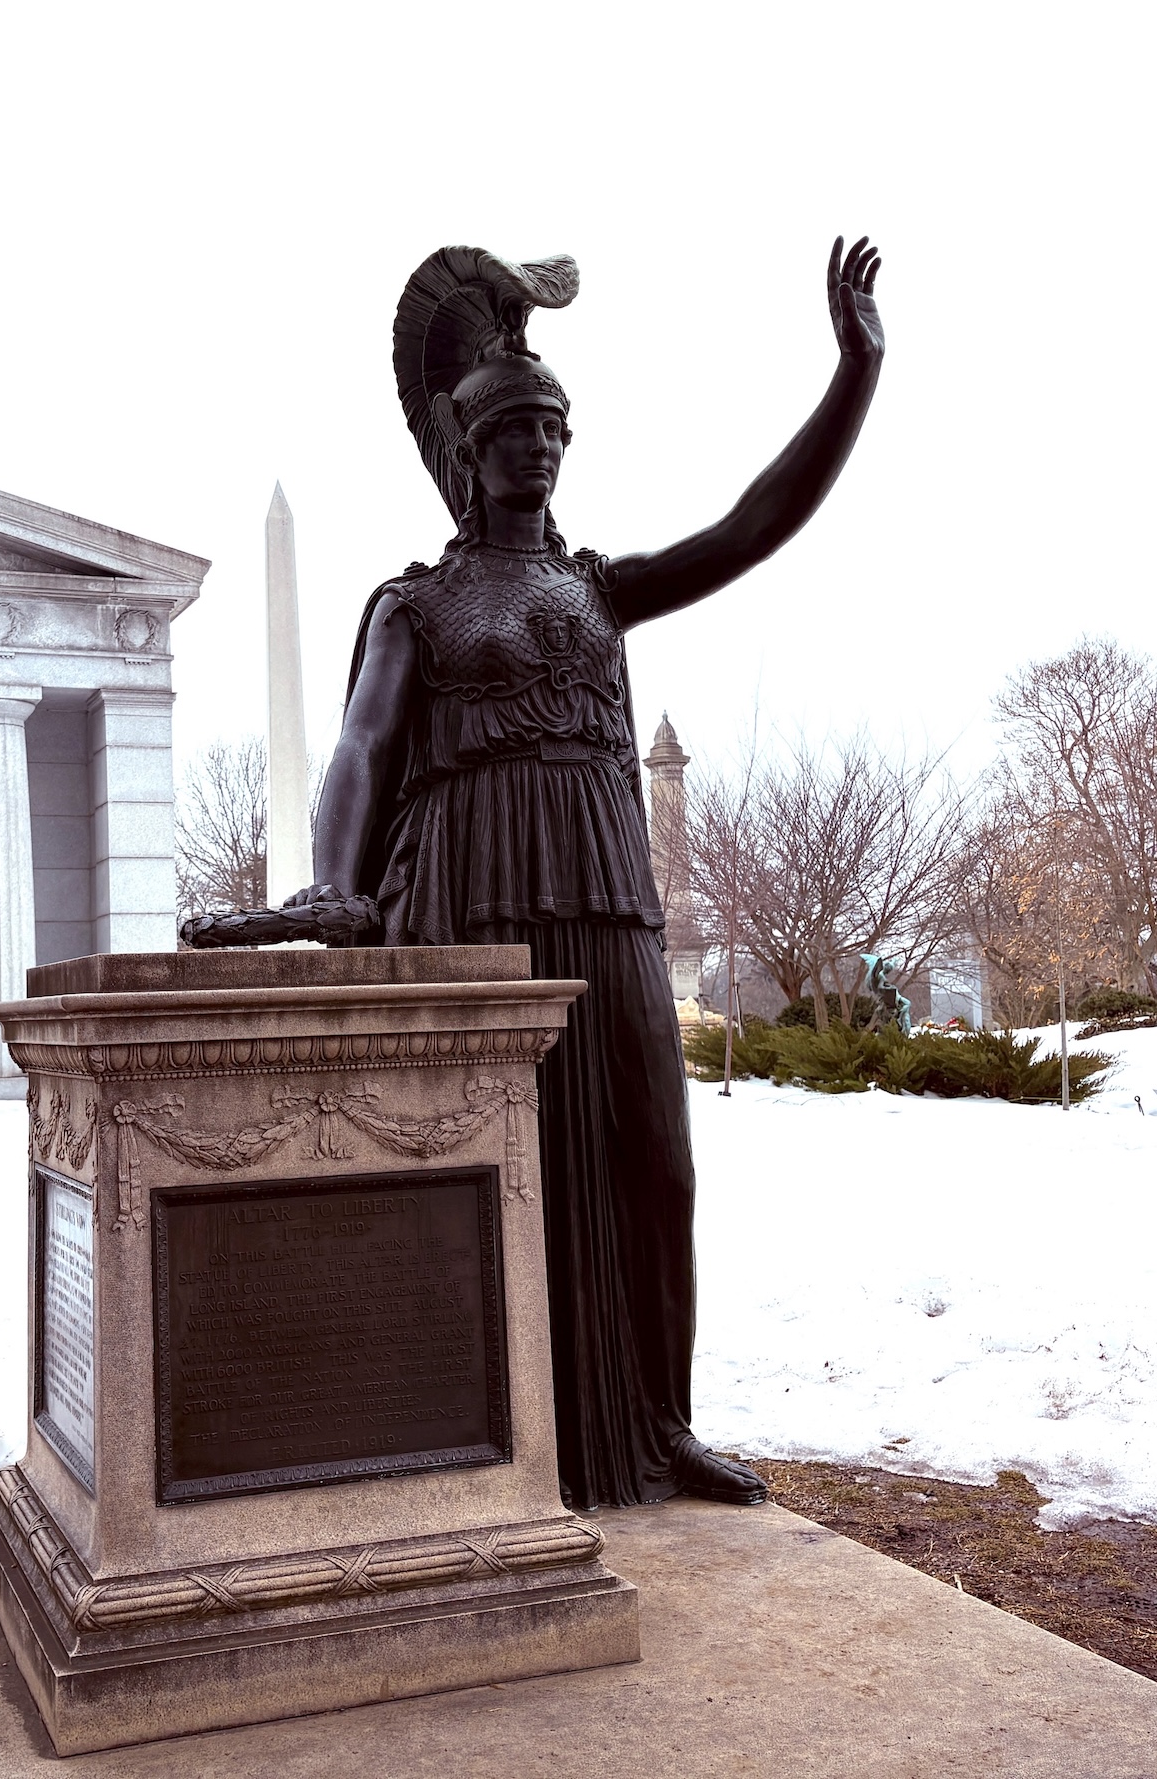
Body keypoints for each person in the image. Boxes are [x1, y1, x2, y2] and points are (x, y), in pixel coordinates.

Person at [289, 240, 885, 1510]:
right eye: (515, 425)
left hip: (606, 895)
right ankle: (475, 1427)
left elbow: (750, 527)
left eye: (554, 425)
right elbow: (357, 747)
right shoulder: (415, 603)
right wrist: (332, 886)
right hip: (474, 890)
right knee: (483, 1169)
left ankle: (653, 1424)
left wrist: (853, 375)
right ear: (469, 448)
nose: (540, 444)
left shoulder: (597, 591)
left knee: (653, 1164)